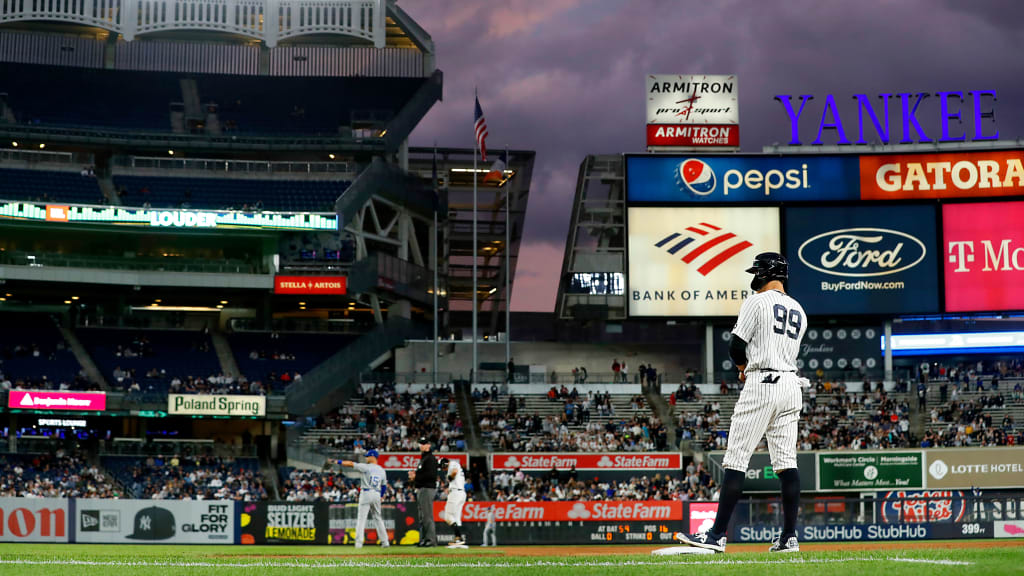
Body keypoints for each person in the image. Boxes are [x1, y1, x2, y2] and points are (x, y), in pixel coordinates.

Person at [676, 252, 807, 554]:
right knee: (787, 464)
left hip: (762, 381)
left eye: (758, 271)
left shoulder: (756, 302)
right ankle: (789, 538)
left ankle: (716, 536)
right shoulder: (799, 309)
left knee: (736, 460)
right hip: (791, 384)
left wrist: (740, 368)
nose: (755, 276)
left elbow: (736, 346)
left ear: (770, 272)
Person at [337, 450, 389, 549]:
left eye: (367, 456)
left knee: (361, 519)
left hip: (366, 492)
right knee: (378, 518)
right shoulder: (382, 470)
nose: (366, 458)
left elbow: (351, 464)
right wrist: (381, 496)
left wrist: (338, 462)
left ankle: (359, 543)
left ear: (373, 457)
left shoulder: (366, 467)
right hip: (377, 494)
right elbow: (384, 486)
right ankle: (385, 542)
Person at [409, 437, 438, 547]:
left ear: (429, 445)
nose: (422, 445)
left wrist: (416, 476)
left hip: (427, 488)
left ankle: (431, 541)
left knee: (427, 516)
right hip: (422, 488)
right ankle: (424, 540)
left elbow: (431, 476)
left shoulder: (430, 459)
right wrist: (414, 478)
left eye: (424, 443)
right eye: (420, 443)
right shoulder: (423, 459)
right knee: (422, 517)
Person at [441, 458, 467, 548]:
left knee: (448, 517)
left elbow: (454, 471)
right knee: (456, 518)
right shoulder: (453, 465)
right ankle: (459, 541)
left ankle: (458, 537)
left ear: (445, 464)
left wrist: (449, 477)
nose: (443, 469)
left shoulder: (453, 464)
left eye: (442, 467)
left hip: (456, 493)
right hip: (461, 492)